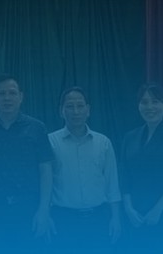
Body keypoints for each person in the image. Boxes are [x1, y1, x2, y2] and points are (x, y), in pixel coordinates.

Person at [0, 74, 55, 253]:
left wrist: (44, 211)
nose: (7, 98)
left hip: (29, 208)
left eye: (12, 93)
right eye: (1, 93)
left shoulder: (36, 127)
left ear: (21, 97)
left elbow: (46, 170)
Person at [47, 87, 122, 254]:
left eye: (80, 106)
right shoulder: (50, 142)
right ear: (61, 111)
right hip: (63, 221)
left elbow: (112, 184)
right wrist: (46, 215)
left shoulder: (103, 143)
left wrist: (116, 218)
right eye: (70, 106)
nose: (75, 111)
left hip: (98, 220)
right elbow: (45, 185)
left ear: (88, 110)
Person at [119, 83, 163, 254]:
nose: (149, 107)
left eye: (155, 101)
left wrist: (157, 210)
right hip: (135, 216)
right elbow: (124, 176)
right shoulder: (130, 137)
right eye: (144, 102)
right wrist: (128, 209)